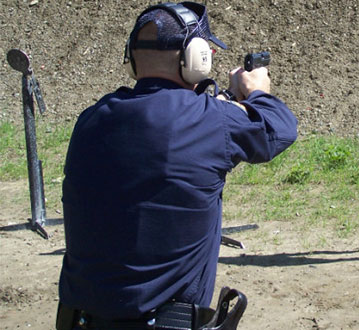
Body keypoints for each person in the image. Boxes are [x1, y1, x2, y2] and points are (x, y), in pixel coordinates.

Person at [56, 2, 297, 329]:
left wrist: (220, 104)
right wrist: (257, 94)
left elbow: (164, 127)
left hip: (80, 321)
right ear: (198, 58)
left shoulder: (91, 120)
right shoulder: (212, 123)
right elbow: (280, 129)